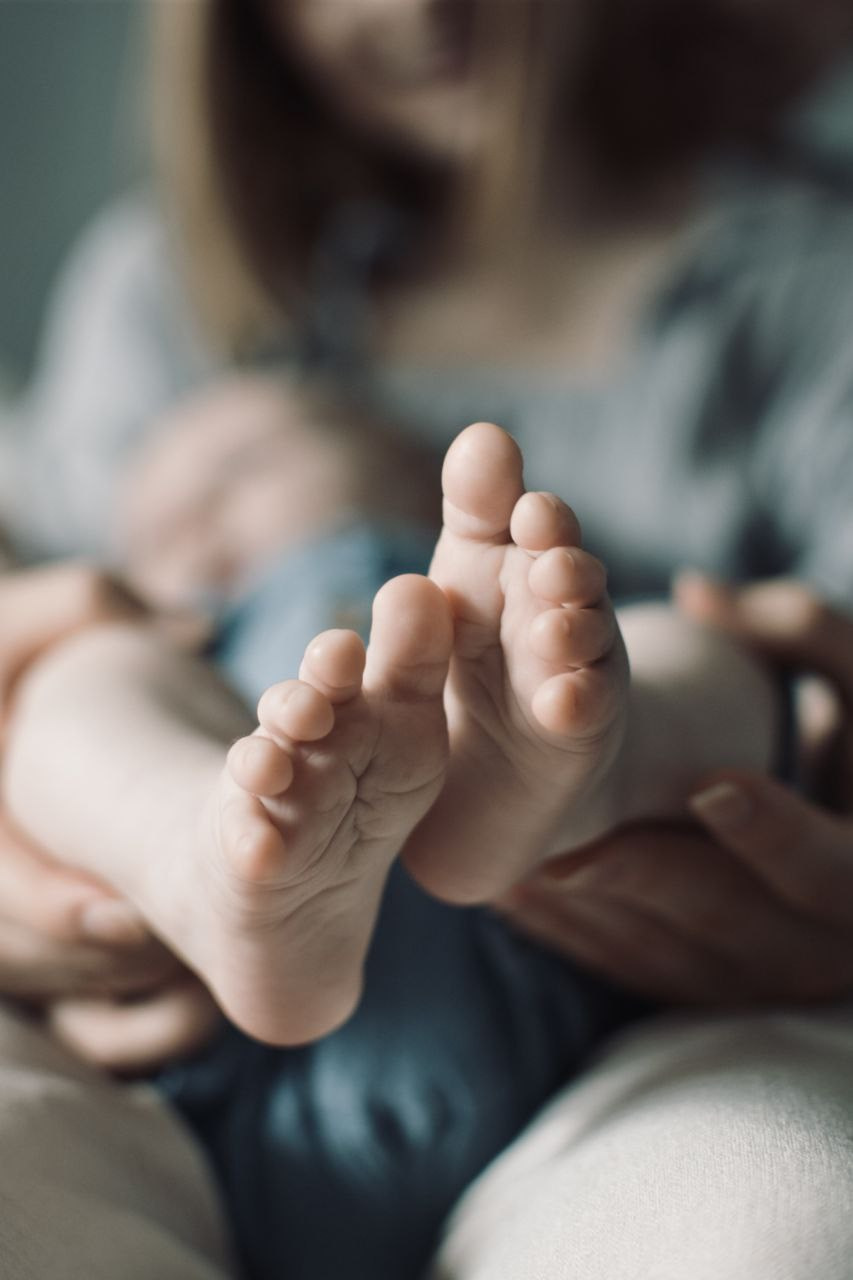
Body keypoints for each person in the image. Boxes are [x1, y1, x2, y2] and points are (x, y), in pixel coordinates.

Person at [2, 0, 853, 1275]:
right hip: (185, 1014)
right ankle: (196, 851)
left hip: (613, 982)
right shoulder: (177, 291)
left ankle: (581, 767)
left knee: (713, 653)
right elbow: (38, 580)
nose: (407, 7)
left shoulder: (799, 288)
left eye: (250, 466)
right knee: (83, 675)